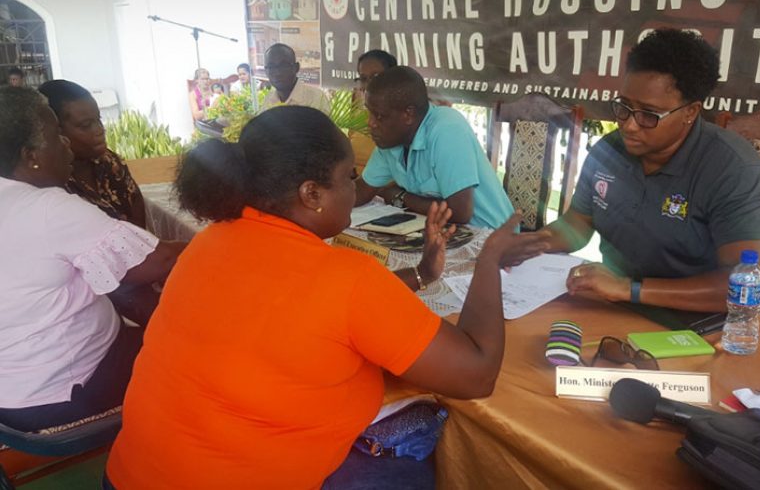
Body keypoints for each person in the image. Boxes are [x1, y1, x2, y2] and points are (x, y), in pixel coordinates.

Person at [106, 106, 541, 489]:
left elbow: (301, 310)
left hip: (128, 476)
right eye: (348, 176)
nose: (356, 188)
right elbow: (477, 374)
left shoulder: (209, 241)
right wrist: (490, 260)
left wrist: (424, 274)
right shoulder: (347, 278)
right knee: (420, 435)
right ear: (311, 194)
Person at [526, 28, 760, 318]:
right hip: (632, 309)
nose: (629, 125)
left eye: (649, 114)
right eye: (624, 107)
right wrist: (531, 242)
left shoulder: (734, 170)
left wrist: (629, 288)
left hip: (720, 324)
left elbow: (749, 286)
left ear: (690, 111)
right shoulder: (608, 152)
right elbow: (578, 224)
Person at [0, 86, 184, 432]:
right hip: (66, 391)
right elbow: (155, 261)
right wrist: (212, 241)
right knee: (198, 350)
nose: (66, 144)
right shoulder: (49, 208)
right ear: (32, 156)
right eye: (57, 134)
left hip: (11, 393)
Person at [355, 66, 514, 229]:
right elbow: (362, 190)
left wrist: (400, 196)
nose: (371, 123)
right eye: (370, 113)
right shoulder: (391, 140)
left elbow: (459, 213)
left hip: (491, 235)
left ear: (408, 114)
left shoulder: (447, 129)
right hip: (442, 231)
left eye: (380, 116)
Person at [38, 79, 147, 229]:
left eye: (98, 120)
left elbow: (138, 219)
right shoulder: (50, 183)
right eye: (86, 125)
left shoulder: (110, 162)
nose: (99, 130)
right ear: (55, 130)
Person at [261, 43, 330, 114]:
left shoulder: (316, 98)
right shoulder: (268, 100)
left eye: (284, 65)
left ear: (296, 68)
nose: (278, 72)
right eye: (271, 67)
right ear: (265, 71)